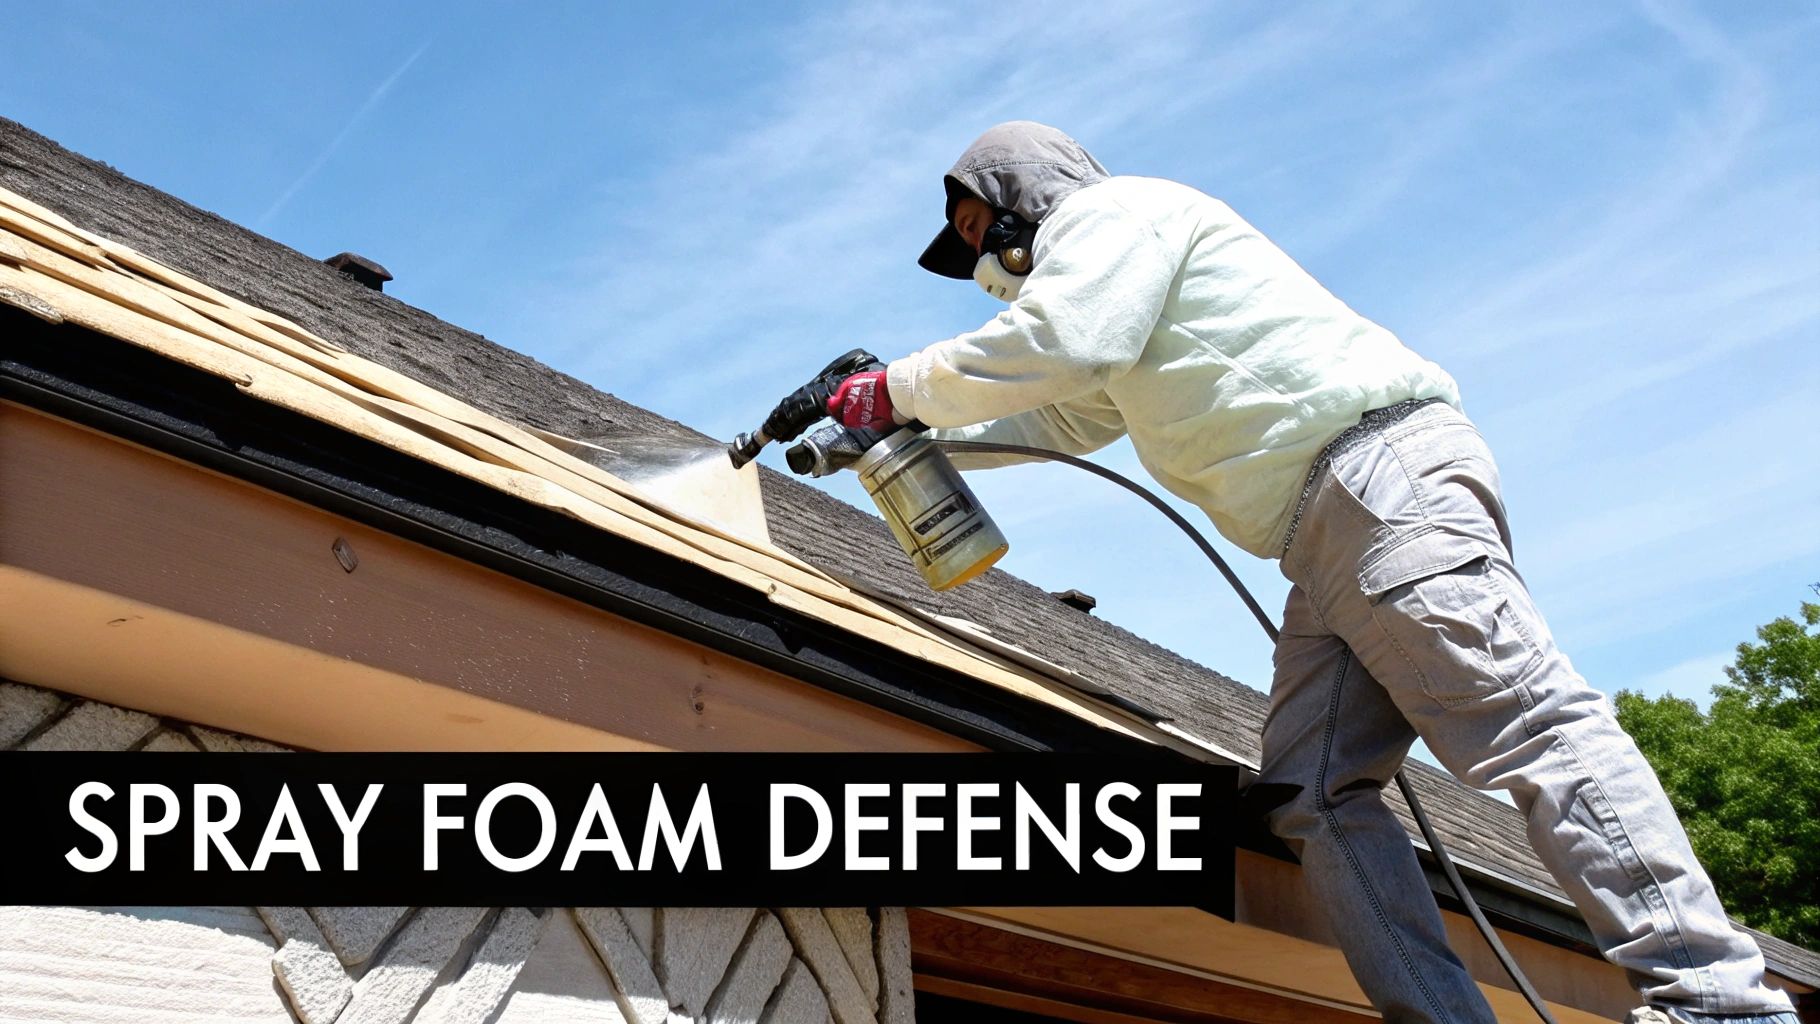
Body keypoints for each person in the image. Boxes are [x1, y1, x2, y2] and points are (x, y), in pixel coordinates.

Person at [823, 121, 1799, 1024]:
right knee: (1312, 790)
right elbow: (1062, 414)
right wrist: (895, 430)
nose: (981, 266)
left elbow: (1064, 345)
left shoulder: (1114, 217)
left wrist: (893, 386)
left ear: (1021, 199)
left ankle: (1716, 999)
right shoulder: (1096, 294)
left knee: (1524, 722)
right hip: (1321, 540)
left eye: (975, 230)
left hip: (1376, 481)